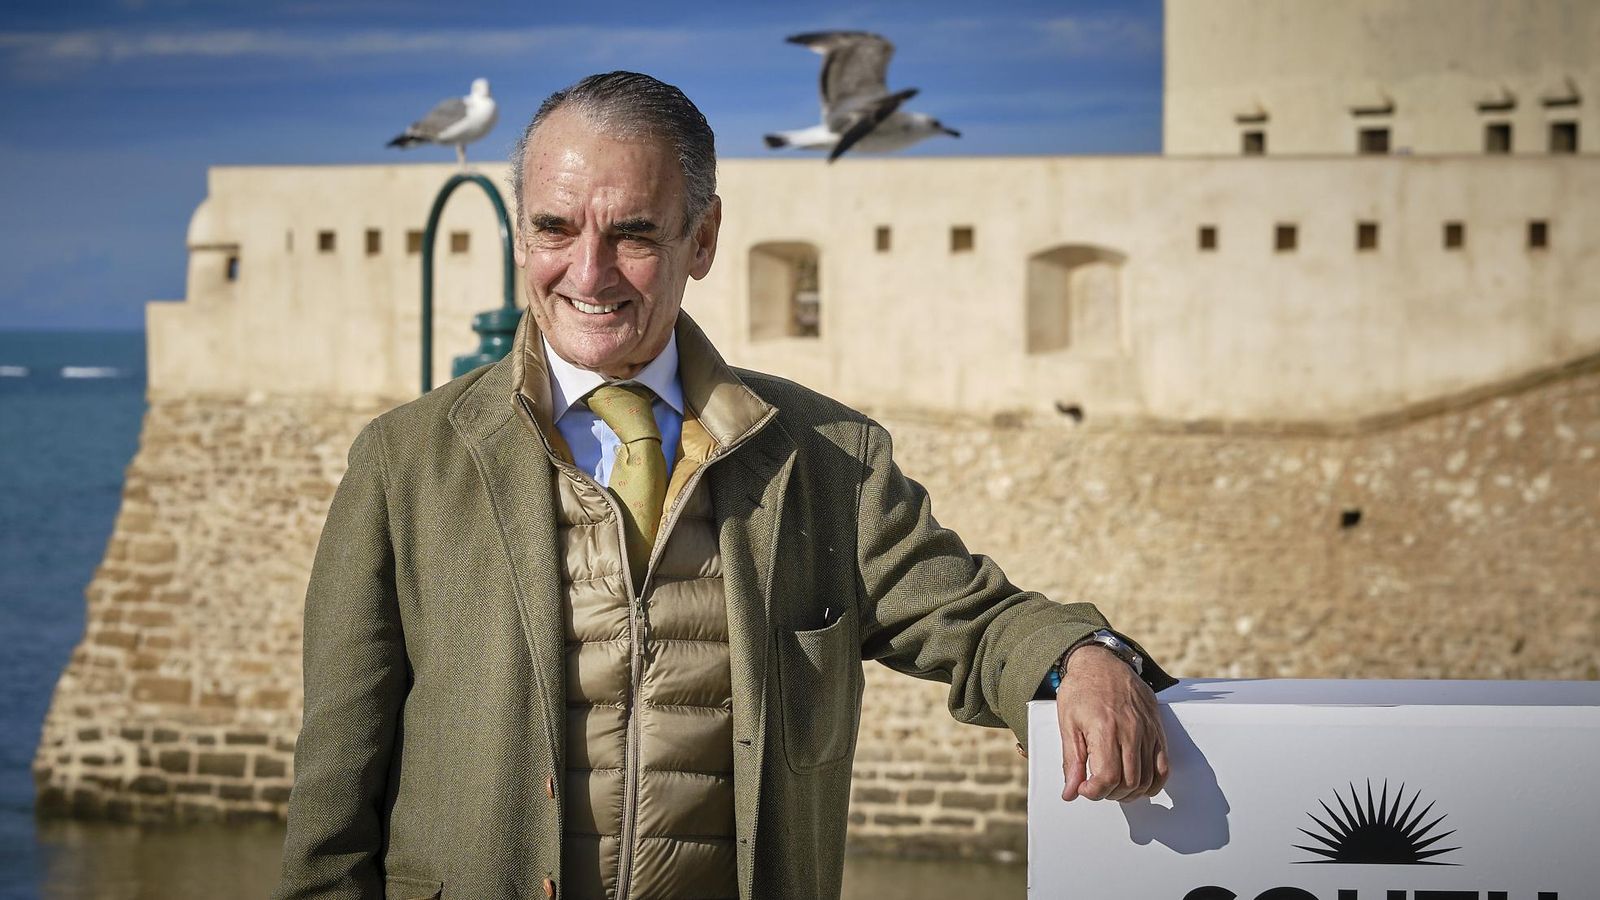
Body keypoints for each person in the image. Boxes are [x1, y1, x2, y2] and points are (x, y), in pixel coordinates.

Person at [275, 71, 1174, 900]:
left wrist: (1079, 659)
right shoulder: (404, 465)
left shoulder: (829, 459)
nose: (587, 274)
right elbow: (335, 798)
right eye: (554, 228)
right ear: (521, 233)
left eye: (631, 233)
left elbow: (974, 621)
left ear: (701, 239)